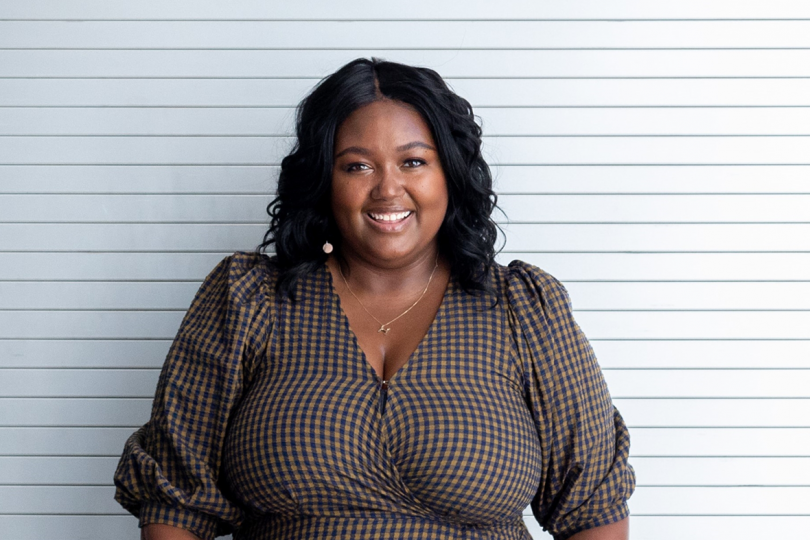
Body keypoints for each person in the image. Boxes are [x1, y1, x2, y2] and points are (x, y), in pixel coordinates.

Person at [114, 58, 635, 540]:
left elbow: (593, 509)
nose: (388, 189)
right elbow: (174, 505)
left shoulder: (524, 309)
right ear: (324, 180)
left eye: (413, 162)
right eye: (357, 166)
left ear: (448, 173)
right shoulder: (249, 300)